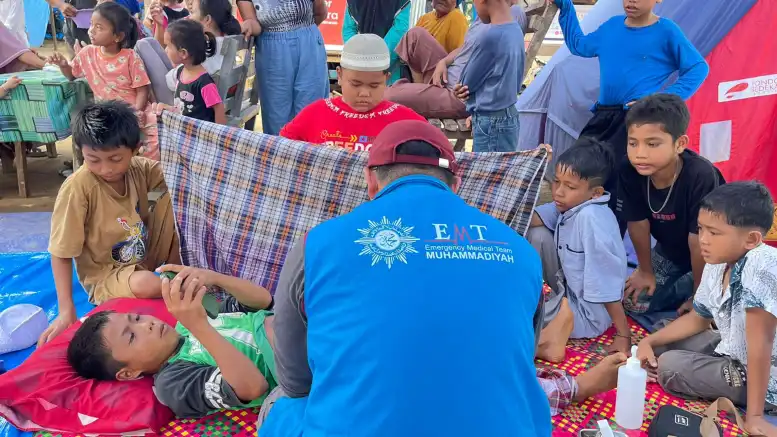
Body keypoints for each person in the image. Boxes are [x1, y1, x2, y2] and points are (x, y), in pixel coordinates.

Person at [259, 120, 552, 437]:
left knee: (281, 403)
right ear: (455, 185)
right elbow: (521, 357)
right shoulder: (520, 250)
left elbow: (296, 382)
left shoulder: (317, 244)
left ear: (371, 180)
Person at [636, 182, 777, 437]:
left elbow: (761, 348)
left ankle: (759, 401)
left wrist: (755, 417)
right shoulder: (718, 259)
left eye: (714, 232)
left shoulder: (761, 266)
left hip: (764, 372)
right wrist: (648, 341)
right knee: (661, 336)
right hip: (732, 347)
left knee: (669, 367)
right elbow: (699, 318)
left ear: (752, 239)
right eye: (701, 228)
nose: (703, 239)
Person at [550, 0, 709, 222]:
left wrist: (658, 100)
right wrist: (566, 7)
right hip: (602, 117)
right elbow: (580, 45)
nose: (630, 1)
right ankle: (570, 229)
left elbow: (698, 68)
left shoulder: (666, 31)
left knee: (617, 185)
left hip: (634, 122)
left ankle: (609, 236)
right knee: (579, 171)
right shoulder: (612, 25)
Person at [38, 101, 181, 346]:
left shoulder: (140, 169)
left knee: (176, 197)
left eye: (115, 159)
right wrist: (66, 310)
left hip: (144, 253)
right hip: (108, 275)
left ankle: (179, 271)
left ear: (135, 150)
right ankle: (180, 283)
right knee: (147, 283)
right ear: (81, 152)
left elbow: (179, 175)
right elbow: (60, 252)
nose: (106, 169)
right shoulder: (78, 189)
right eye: (93, 160)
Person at [66, 264, 277, 419]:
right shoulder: (171, 382)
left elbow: (263, 300)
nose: (146, 324)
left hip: (285, 321)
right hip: (287, 357)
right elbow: (253, 387)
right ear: (129, 373)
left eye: (137, 318)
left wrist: (214, 278)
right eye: (131, 336)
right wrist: (199, 326)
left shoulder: (185, 323)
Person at [618, 94, 724, 321]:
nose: (640, 153)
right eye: (633, 143)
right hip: (671, 251)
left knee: (716, 306)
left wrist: (699, 296)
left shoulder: (701, 175)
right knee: (634, 302)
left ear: (680, 144)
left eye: (652, 144)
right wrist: (645, 271)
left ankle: (701, 286)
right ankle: (686, 284)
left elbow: (700, 241)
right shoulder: (629, 169)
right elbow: (637, 222)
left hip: (714, 253)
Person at [528, 140, 629, 362]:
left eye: (570, 187)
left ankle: (550, 338)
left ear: (596, 193)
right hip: (567, 294)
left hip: (586, 316)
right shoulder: (570, 205)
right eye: (556, 182)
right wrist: (531, 167)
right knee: (537, 235)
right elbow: (527, 219)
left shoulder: (591, 218)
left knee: (511, 314)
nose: (559, 192)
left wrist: (623, 334)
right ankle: (553, 317)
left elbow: (606, 281)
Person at [47, 2, 159, 159]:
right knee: (102, 143)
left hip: (133, 111)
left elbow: (142, 90)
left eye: (99, 27)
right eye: (91, 24)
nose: (91, 30)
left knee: (156, 137)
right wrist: (63, 65)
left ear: (118, 36)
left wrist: (136, 112)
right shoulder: (87, 53)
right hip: (108, 114)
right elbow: (72, 74)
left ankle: (145, 169)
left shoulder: (130, 57)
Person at [384, 0, 526, 120]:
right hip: (448, 75)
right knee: (415, 35)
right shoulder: (486, 14)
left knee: (388, 96)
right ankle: (421, 93)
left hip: (460, 94)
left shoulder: (510, 14)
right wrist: (444, 62)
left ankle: (417, 95)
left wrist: (482, 110)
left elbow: (508, 68)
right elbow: (466, 46)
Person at [280, 34, 424, 149]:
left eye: (374, 85)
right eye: (356, 84)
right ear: (339, 75)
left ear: (386, 79)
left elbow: (434, 144)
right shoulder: (315, 114)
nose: (364, 93)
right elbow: (280, 149)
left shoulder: (403, 120)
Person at [236, 0, 330, 136]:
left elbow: (320, 12)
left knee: (312, 111)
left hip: (309, 45)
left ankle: (310, 150)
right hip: (272, 52)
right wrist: (249, 24)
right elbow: (253, 22)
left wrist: (302, 34)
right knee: (277, 116)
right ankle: (280, 150)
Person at [454, 0, 524, 152]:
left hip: (491, 123)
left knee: (486, 168)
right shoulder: (515, 30)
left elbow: (466, 84)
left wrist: (459, 89)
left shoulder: (490, 37)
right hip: (508, 115)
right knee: (502, 167)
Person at [162, 20, 226, 124]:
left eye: (168, 46)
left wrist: (219, 132)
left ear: (183, 53)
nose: (166, 50)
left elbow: (218, 108)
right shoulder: (180, 72)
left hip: (200, 133)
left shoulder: (204, 83)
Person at [342, 0, 411, 86]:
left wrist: (373, 58)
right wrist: (360, 57)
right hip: (365, 65)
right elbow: (349, 30)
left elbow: (399, 31)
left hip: (388, 69)